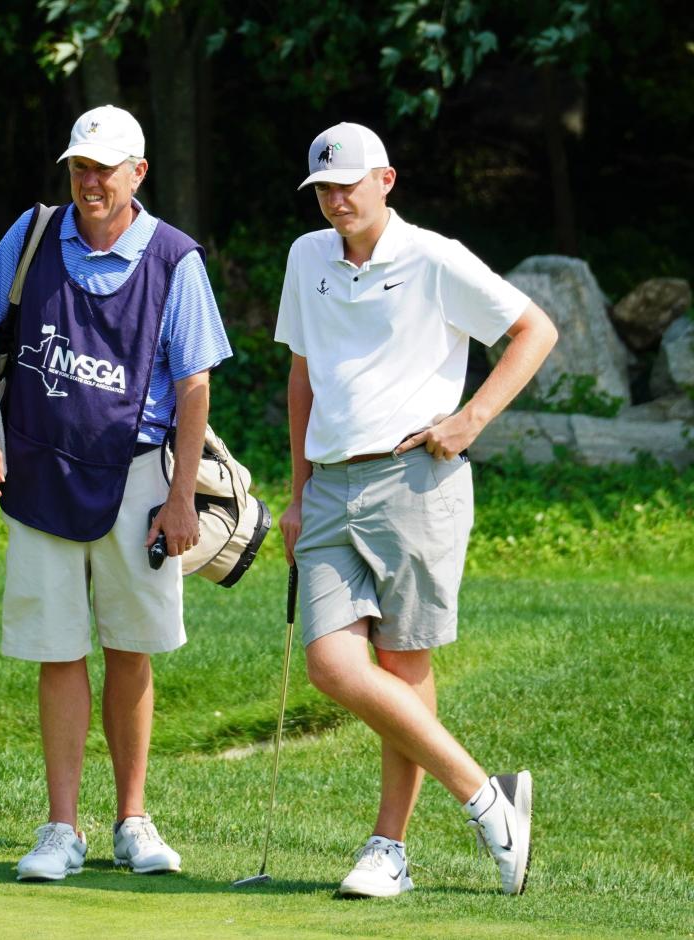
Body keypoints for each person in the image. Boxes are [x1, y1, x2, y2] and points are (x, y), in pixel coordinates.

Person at [276, 122, 558, 897]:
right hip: (329, 486)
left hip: (415, 483)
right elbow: (302, 376)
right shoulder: (307, 258)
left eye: (348, 186)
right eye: (323, 190)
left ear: (386, 181)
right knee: (333, 664)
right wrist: (296, 491)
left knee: (403, 664)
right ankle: (486, 796)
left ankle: (388, 849)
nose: (336, 200)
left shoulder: (433, 256)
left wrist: (471, 420)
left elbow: (535, 329)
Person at [0, 105, 231, 881]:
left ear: (138, 173)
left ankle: (133, 821)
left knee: (131, 648)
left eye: (105, 169)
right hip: (39, 467)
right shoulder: (36, 233)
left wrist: (181, 496)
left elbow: (194, 383)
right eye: (80, 167)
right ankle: (61, 829)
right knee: (57, 648)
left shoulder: (175, 259)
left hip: (140, 473)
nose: (90, 182)